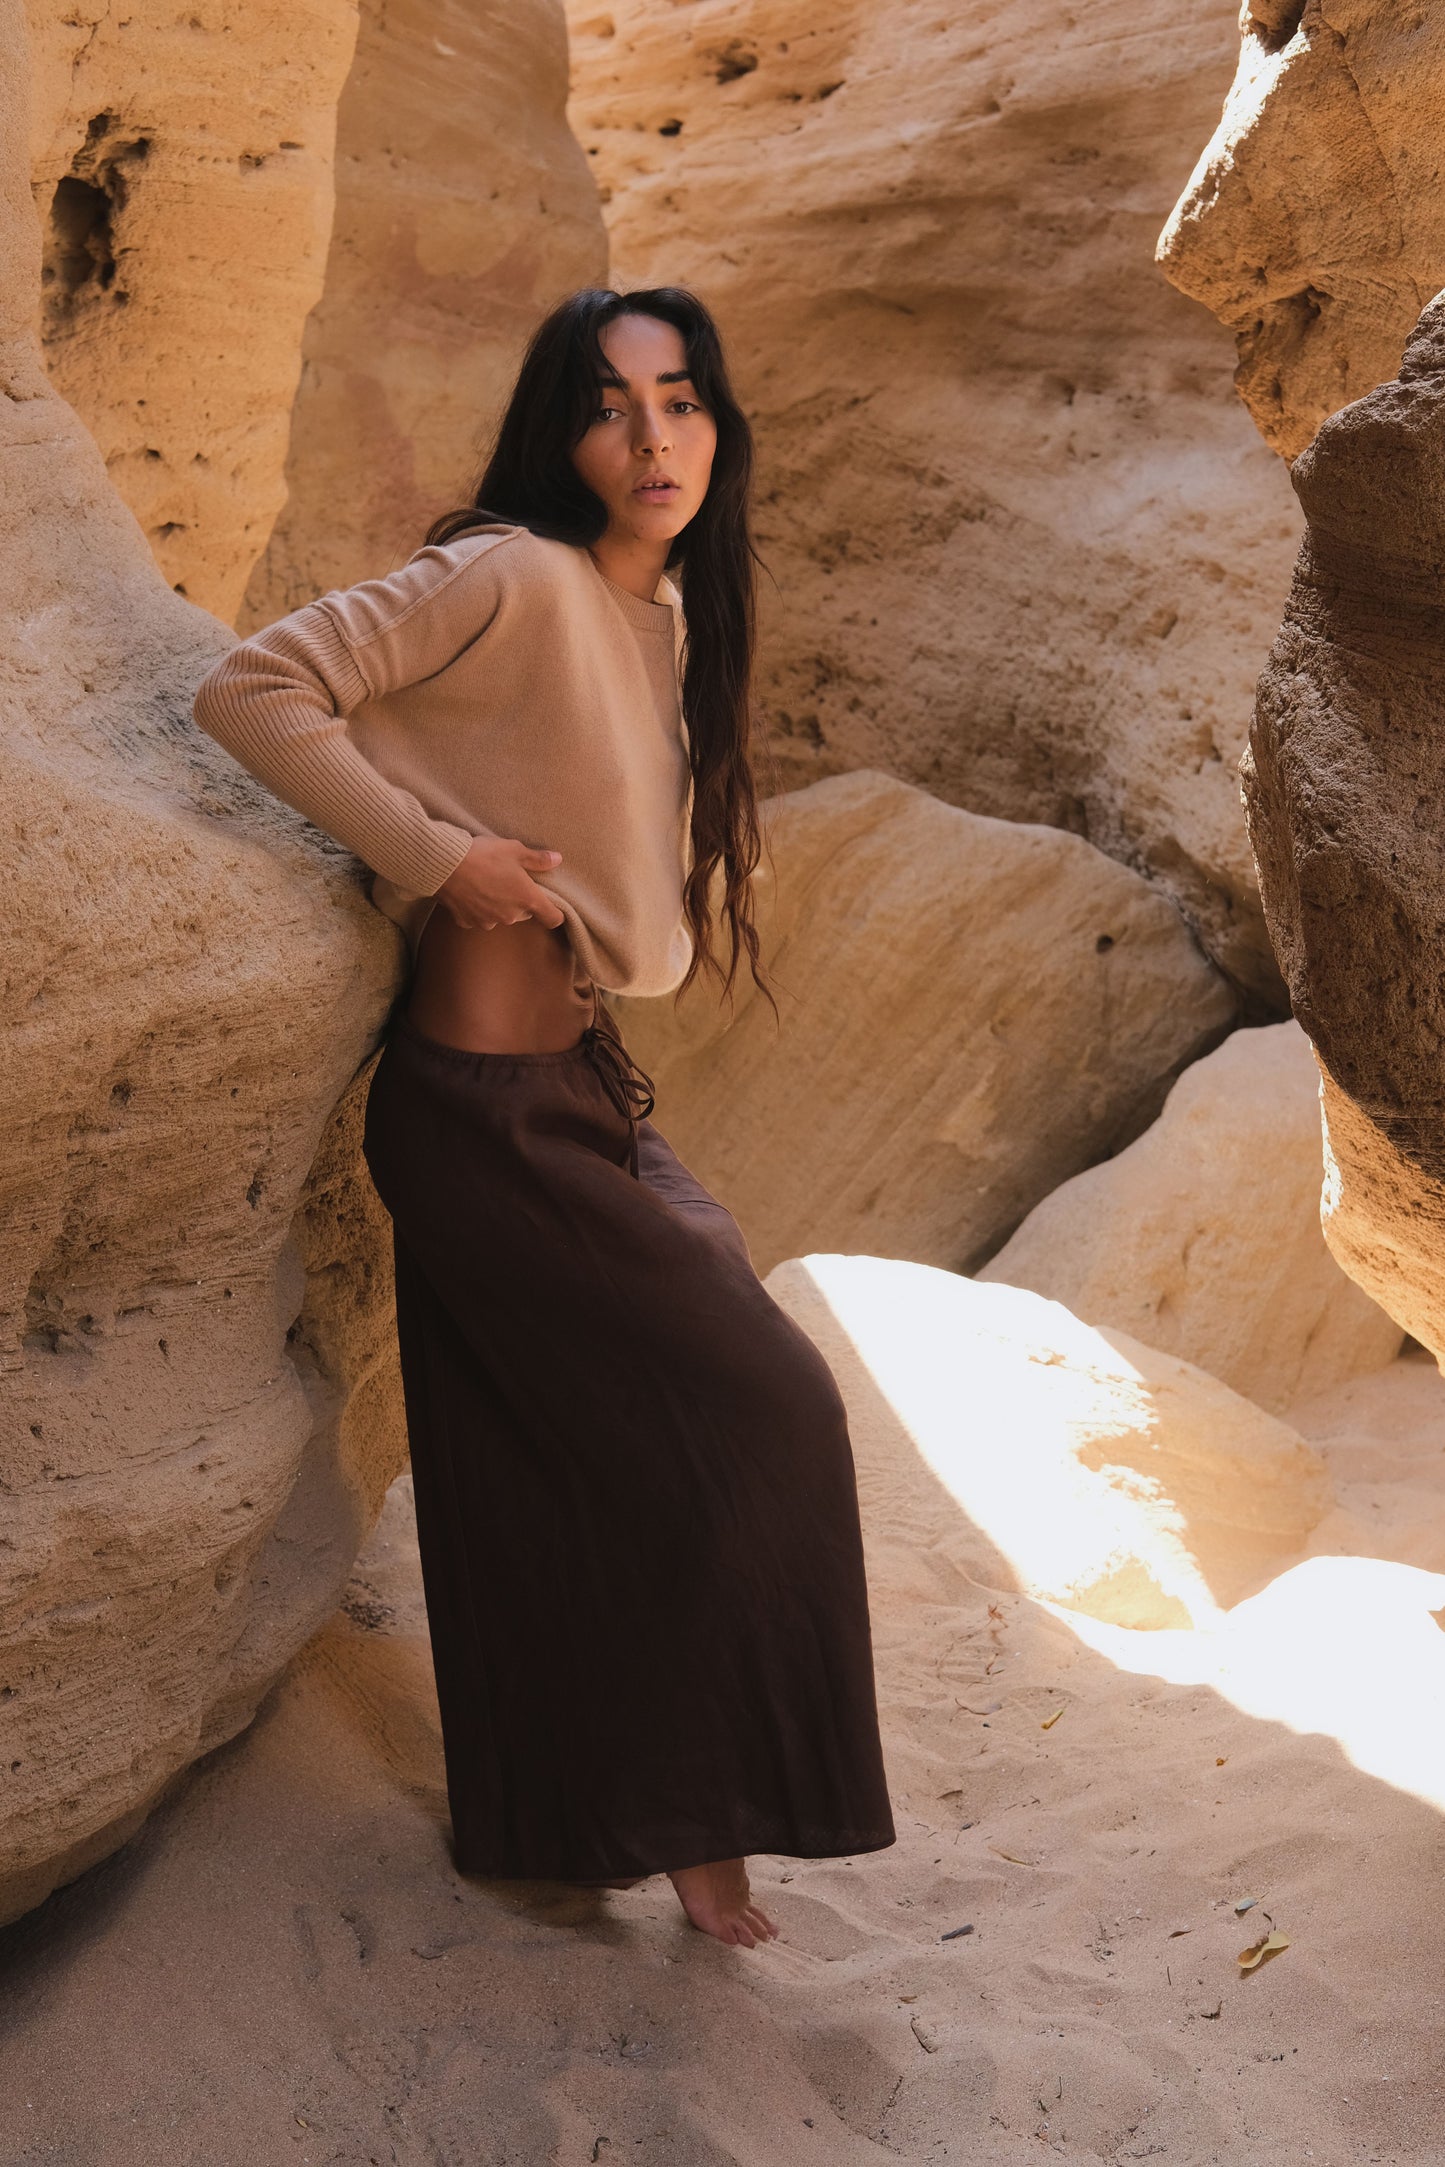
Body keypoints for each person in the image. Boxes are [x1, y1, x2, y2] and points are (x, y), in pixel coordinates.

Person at [193, 285, 895, 1949]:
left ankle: (607, 1820)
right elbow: (254, 689)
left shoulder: (661, 626)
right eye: (608, 405)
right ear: (559, 432)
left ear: (720, 427)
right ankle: (700, 1818)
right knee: (771, 1409)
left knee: (542, 1470)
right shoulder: (510, 573)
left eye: (682, 401)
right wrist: (447, 859)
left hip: (580, 1091)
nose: (652, 439)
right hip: (481, 1120)